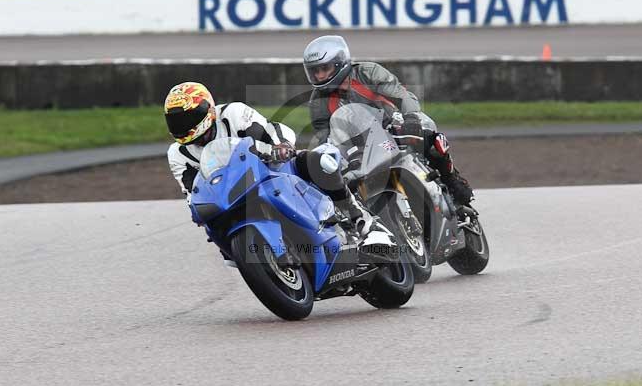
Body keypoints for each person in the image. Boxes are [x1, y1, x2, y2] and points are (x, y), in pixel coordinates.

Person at [163, 81, 394, 255]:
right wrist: (198, 210)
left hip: (268, 168)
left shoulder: (232, 114)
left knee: (316, 161)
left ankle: (364, 223)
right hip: (231, 195)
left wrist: (280, 147)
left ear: (207, 110)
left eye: (187, 118)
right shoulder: (177, 153)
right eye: (175, 121)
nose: (182, 126)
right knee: (212, 226)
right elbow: (191, 190)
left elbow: (268, 132)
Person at [302, 35, 475, 209]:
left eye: (325, 68)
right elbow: (326, 139)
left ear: (340, 63)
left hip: (394, 127)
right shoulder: (317, 102)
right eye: (315, 71)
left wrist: (411, 118)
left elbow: (402, 96)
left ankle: (451, 179)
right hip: (360, 148)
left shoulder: (367, 72)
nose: (320, 75)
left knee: (427, 129)